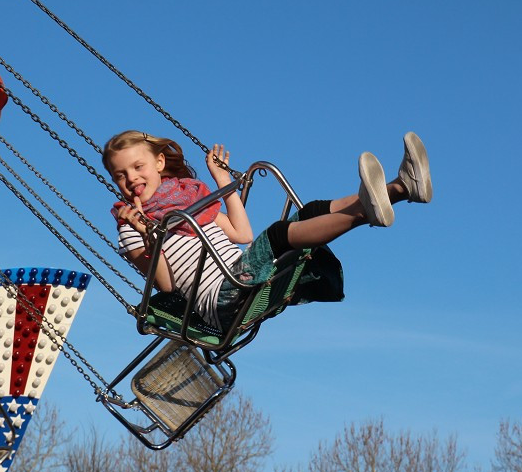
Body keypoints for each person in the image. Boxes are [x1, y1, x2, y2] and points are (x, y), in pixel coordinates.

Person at [102, 130, 432, 330]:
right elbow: (166, 284)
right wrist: (148, 232)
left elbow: (242, 233)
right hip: (222, 300)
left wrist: (221, 181)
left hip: (239, 276)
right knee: (278, 234)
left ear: (159, 163)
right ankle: (367, 211)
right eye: (120, 174)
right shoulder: (130, 229)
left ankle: (403, 187)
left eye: (137, 166)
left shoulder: (189, 201)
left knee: (310, 212)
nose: (130, 178)